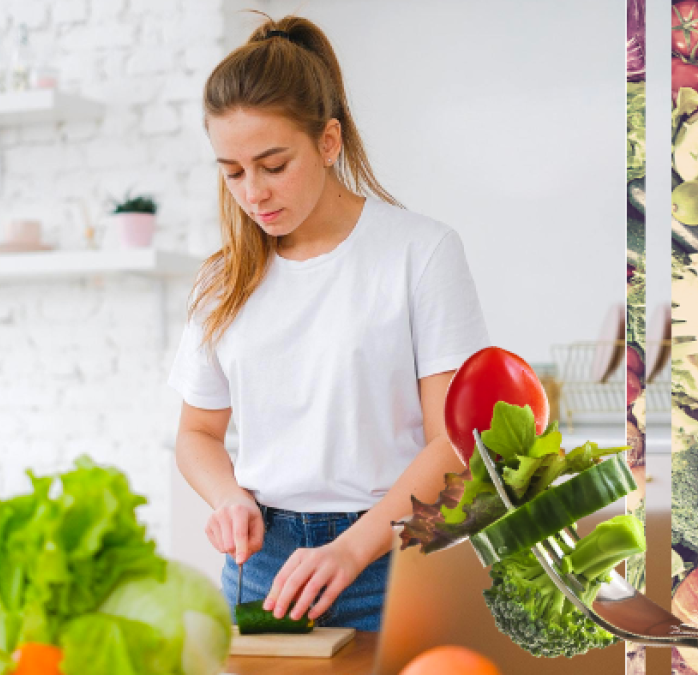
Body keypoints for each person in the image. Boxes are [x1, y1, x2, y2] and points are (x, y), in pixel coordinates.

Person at [168, 14, 488, 632]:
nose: (252, 192)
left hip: (397, 555)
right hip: (264, 570)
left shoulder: (419, 252)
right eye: (232, 172)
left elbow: (453, 442)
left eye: (272, 163)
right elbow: (197, 434)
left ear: (329, 142)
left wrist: (353, 548)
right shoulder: (222, 281)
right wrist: (229, 497)